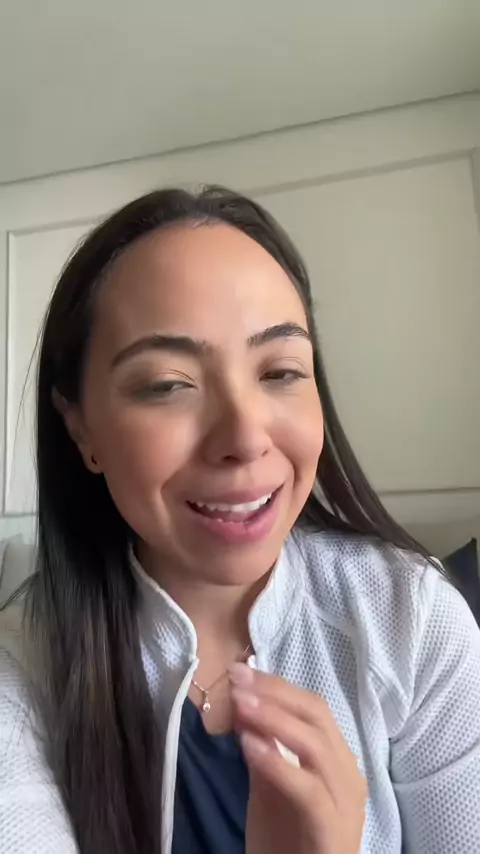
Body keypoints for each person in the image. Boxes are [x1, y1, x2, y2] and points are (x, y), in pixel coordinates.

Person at [1, 186, 479, 854]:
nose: (246, 438)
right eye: (168, 384)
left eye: (280, 371)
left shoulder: (413, 621)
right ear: (81, 428)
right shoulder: (22, 664)